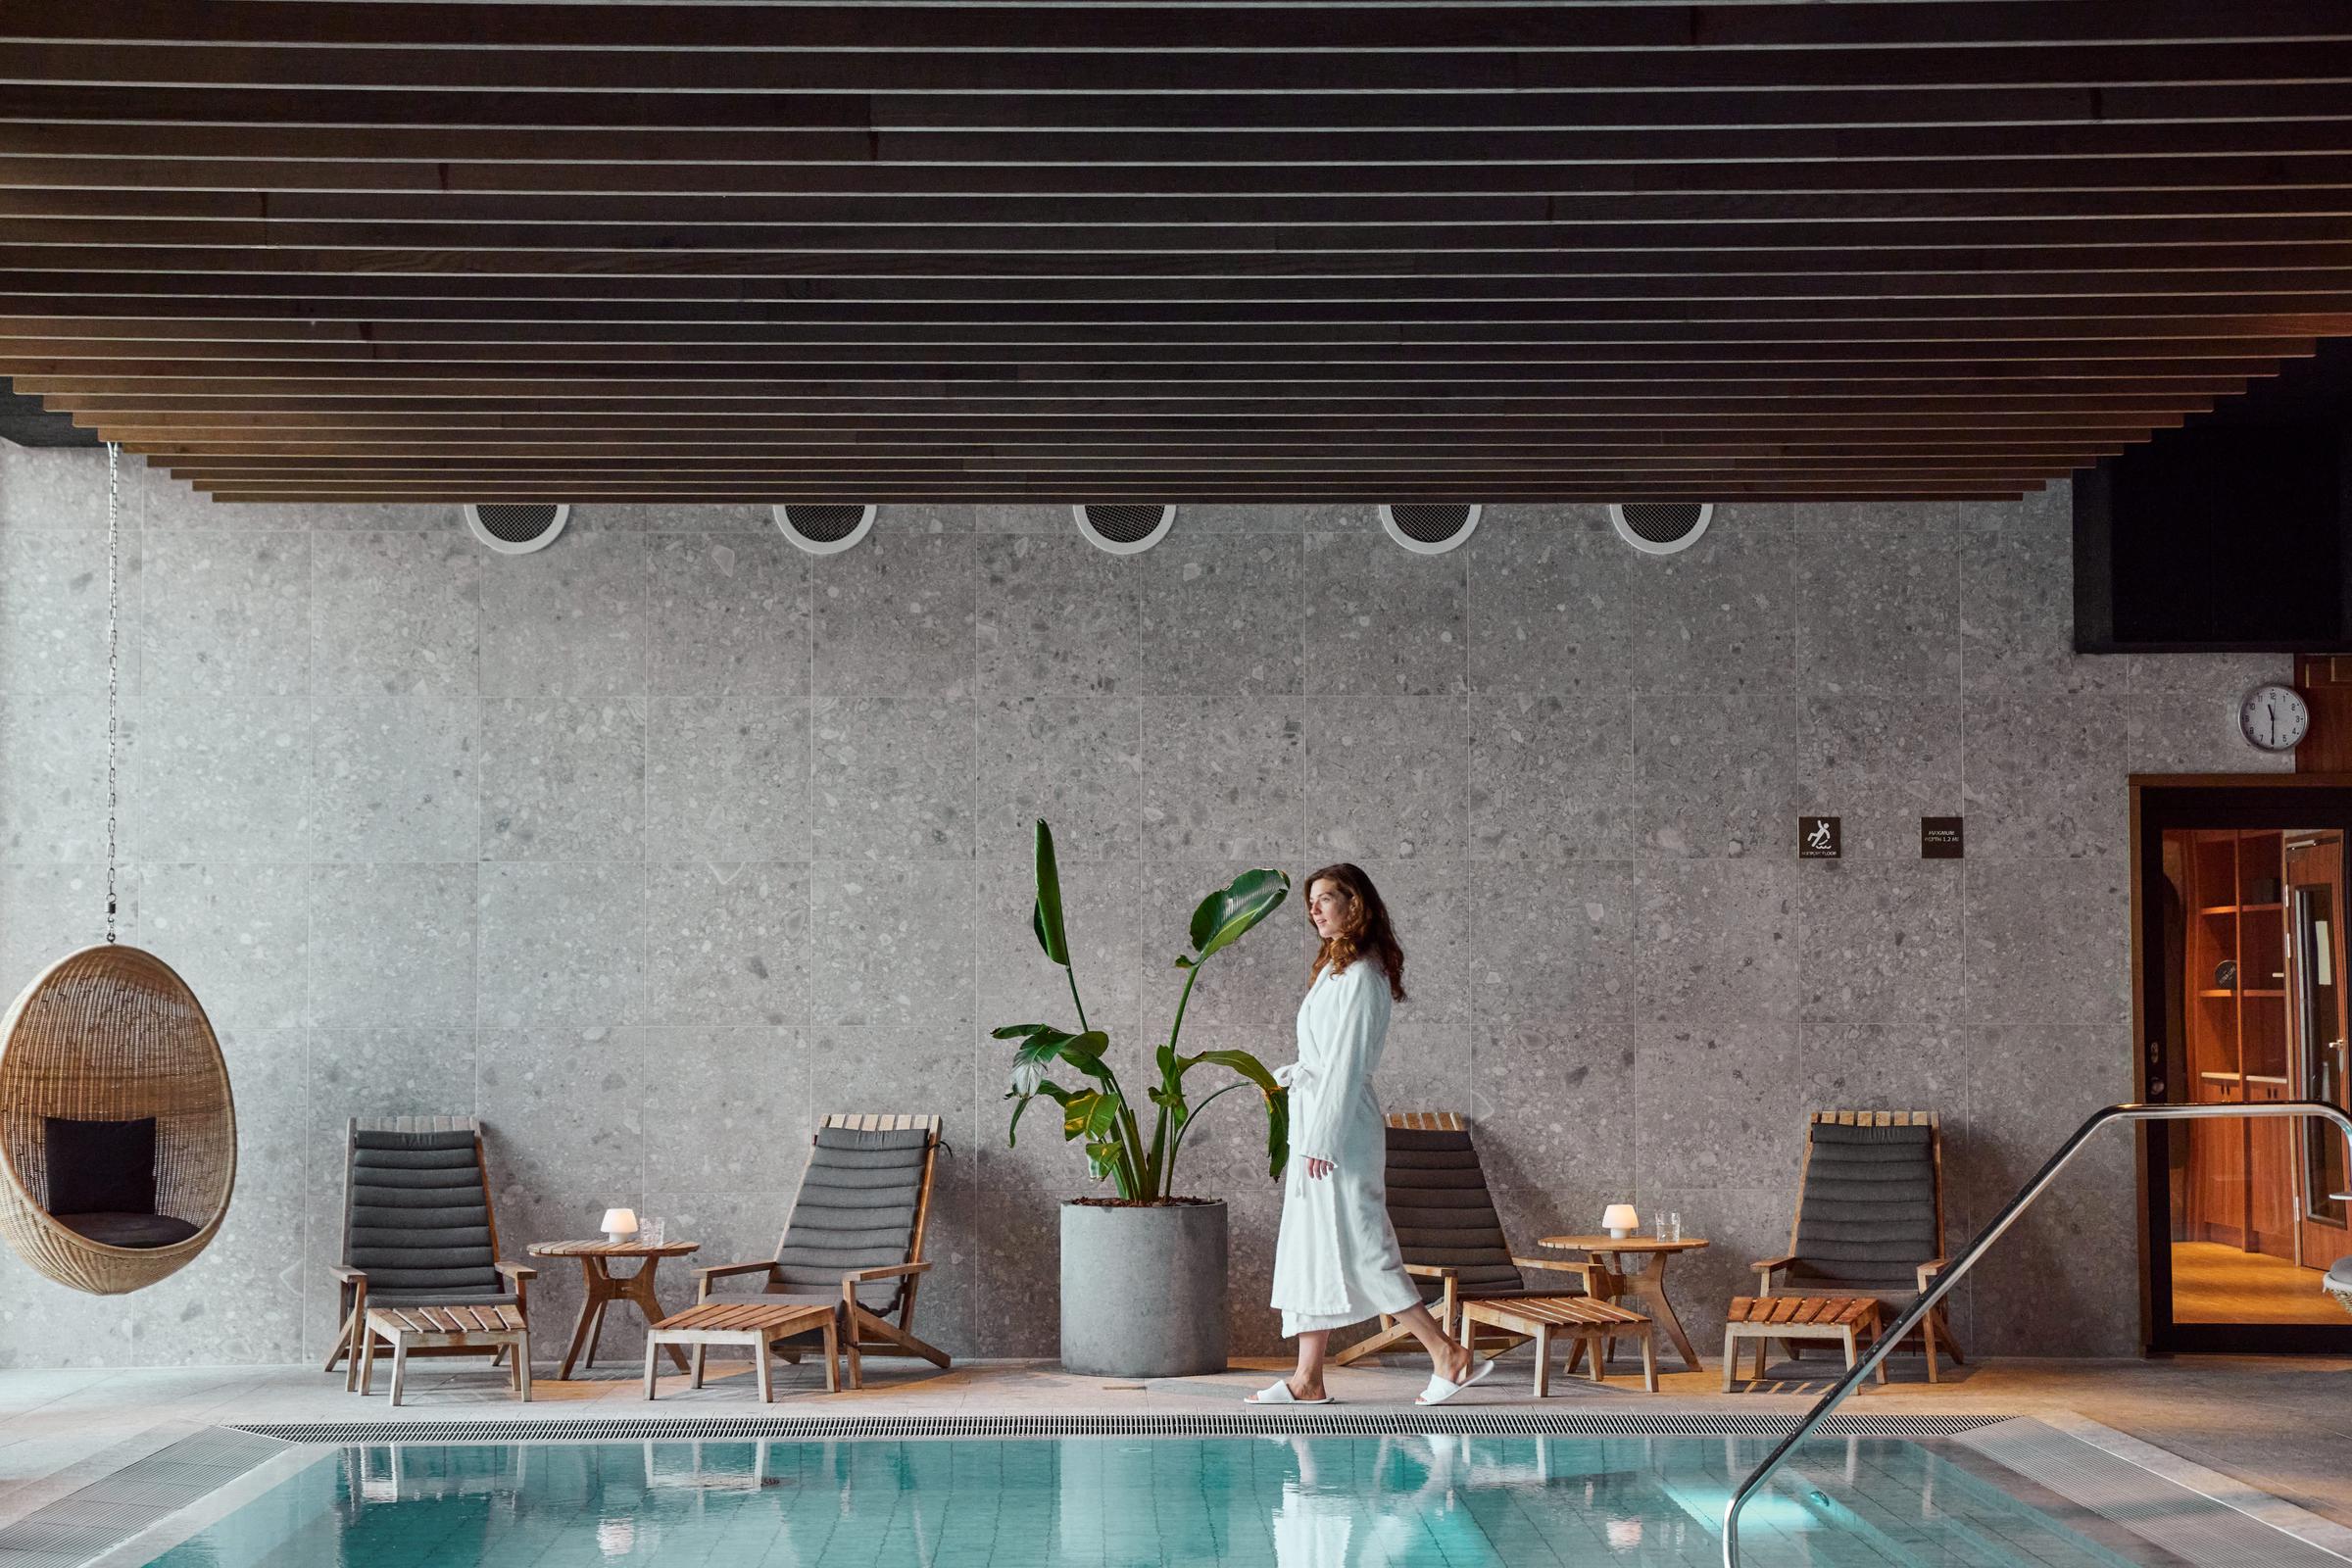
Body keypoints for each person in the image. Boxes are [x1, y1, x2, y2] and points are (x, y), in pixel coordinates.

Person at [1247, 862, 1493, 1407]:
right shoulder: (1337, 969)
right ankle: (1307, 1380)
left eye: (1326, 899)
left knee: (1366, 1247)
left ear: (1356, 905)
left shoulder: (1362, 975)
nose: (1313, 910)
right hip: (1317, 1123)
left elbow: (1347, 1067)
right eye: (1310, 901)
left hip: (1337, 1131)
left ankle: (1448, 1354)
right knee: (1314, 1248)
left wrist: (1322, 1141)